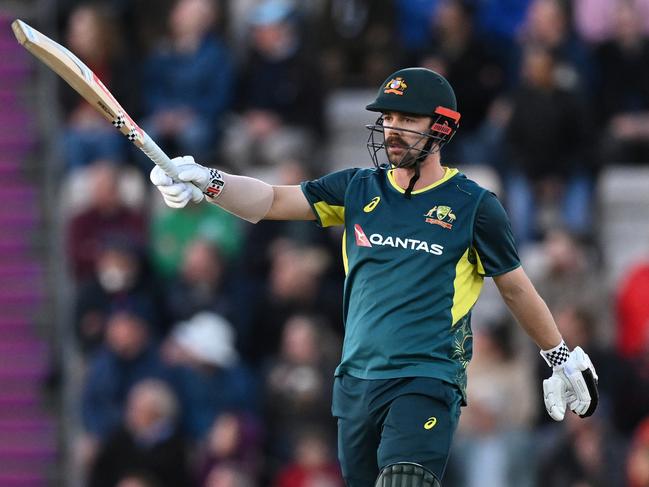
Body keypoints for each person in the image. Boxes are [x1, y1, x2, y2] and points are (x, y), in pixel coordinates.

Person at [150, 67, 599, 487]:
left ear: (440, 127)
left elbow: (516, 288)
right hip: (357, 384)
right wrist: (209, 182)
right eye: (388, 117)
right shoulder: (359, 187)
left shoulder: (474, 205)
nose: (392, 129)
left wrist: (558, 355)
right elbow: (269, 200)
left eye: (407, 118)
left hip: (427, 377)